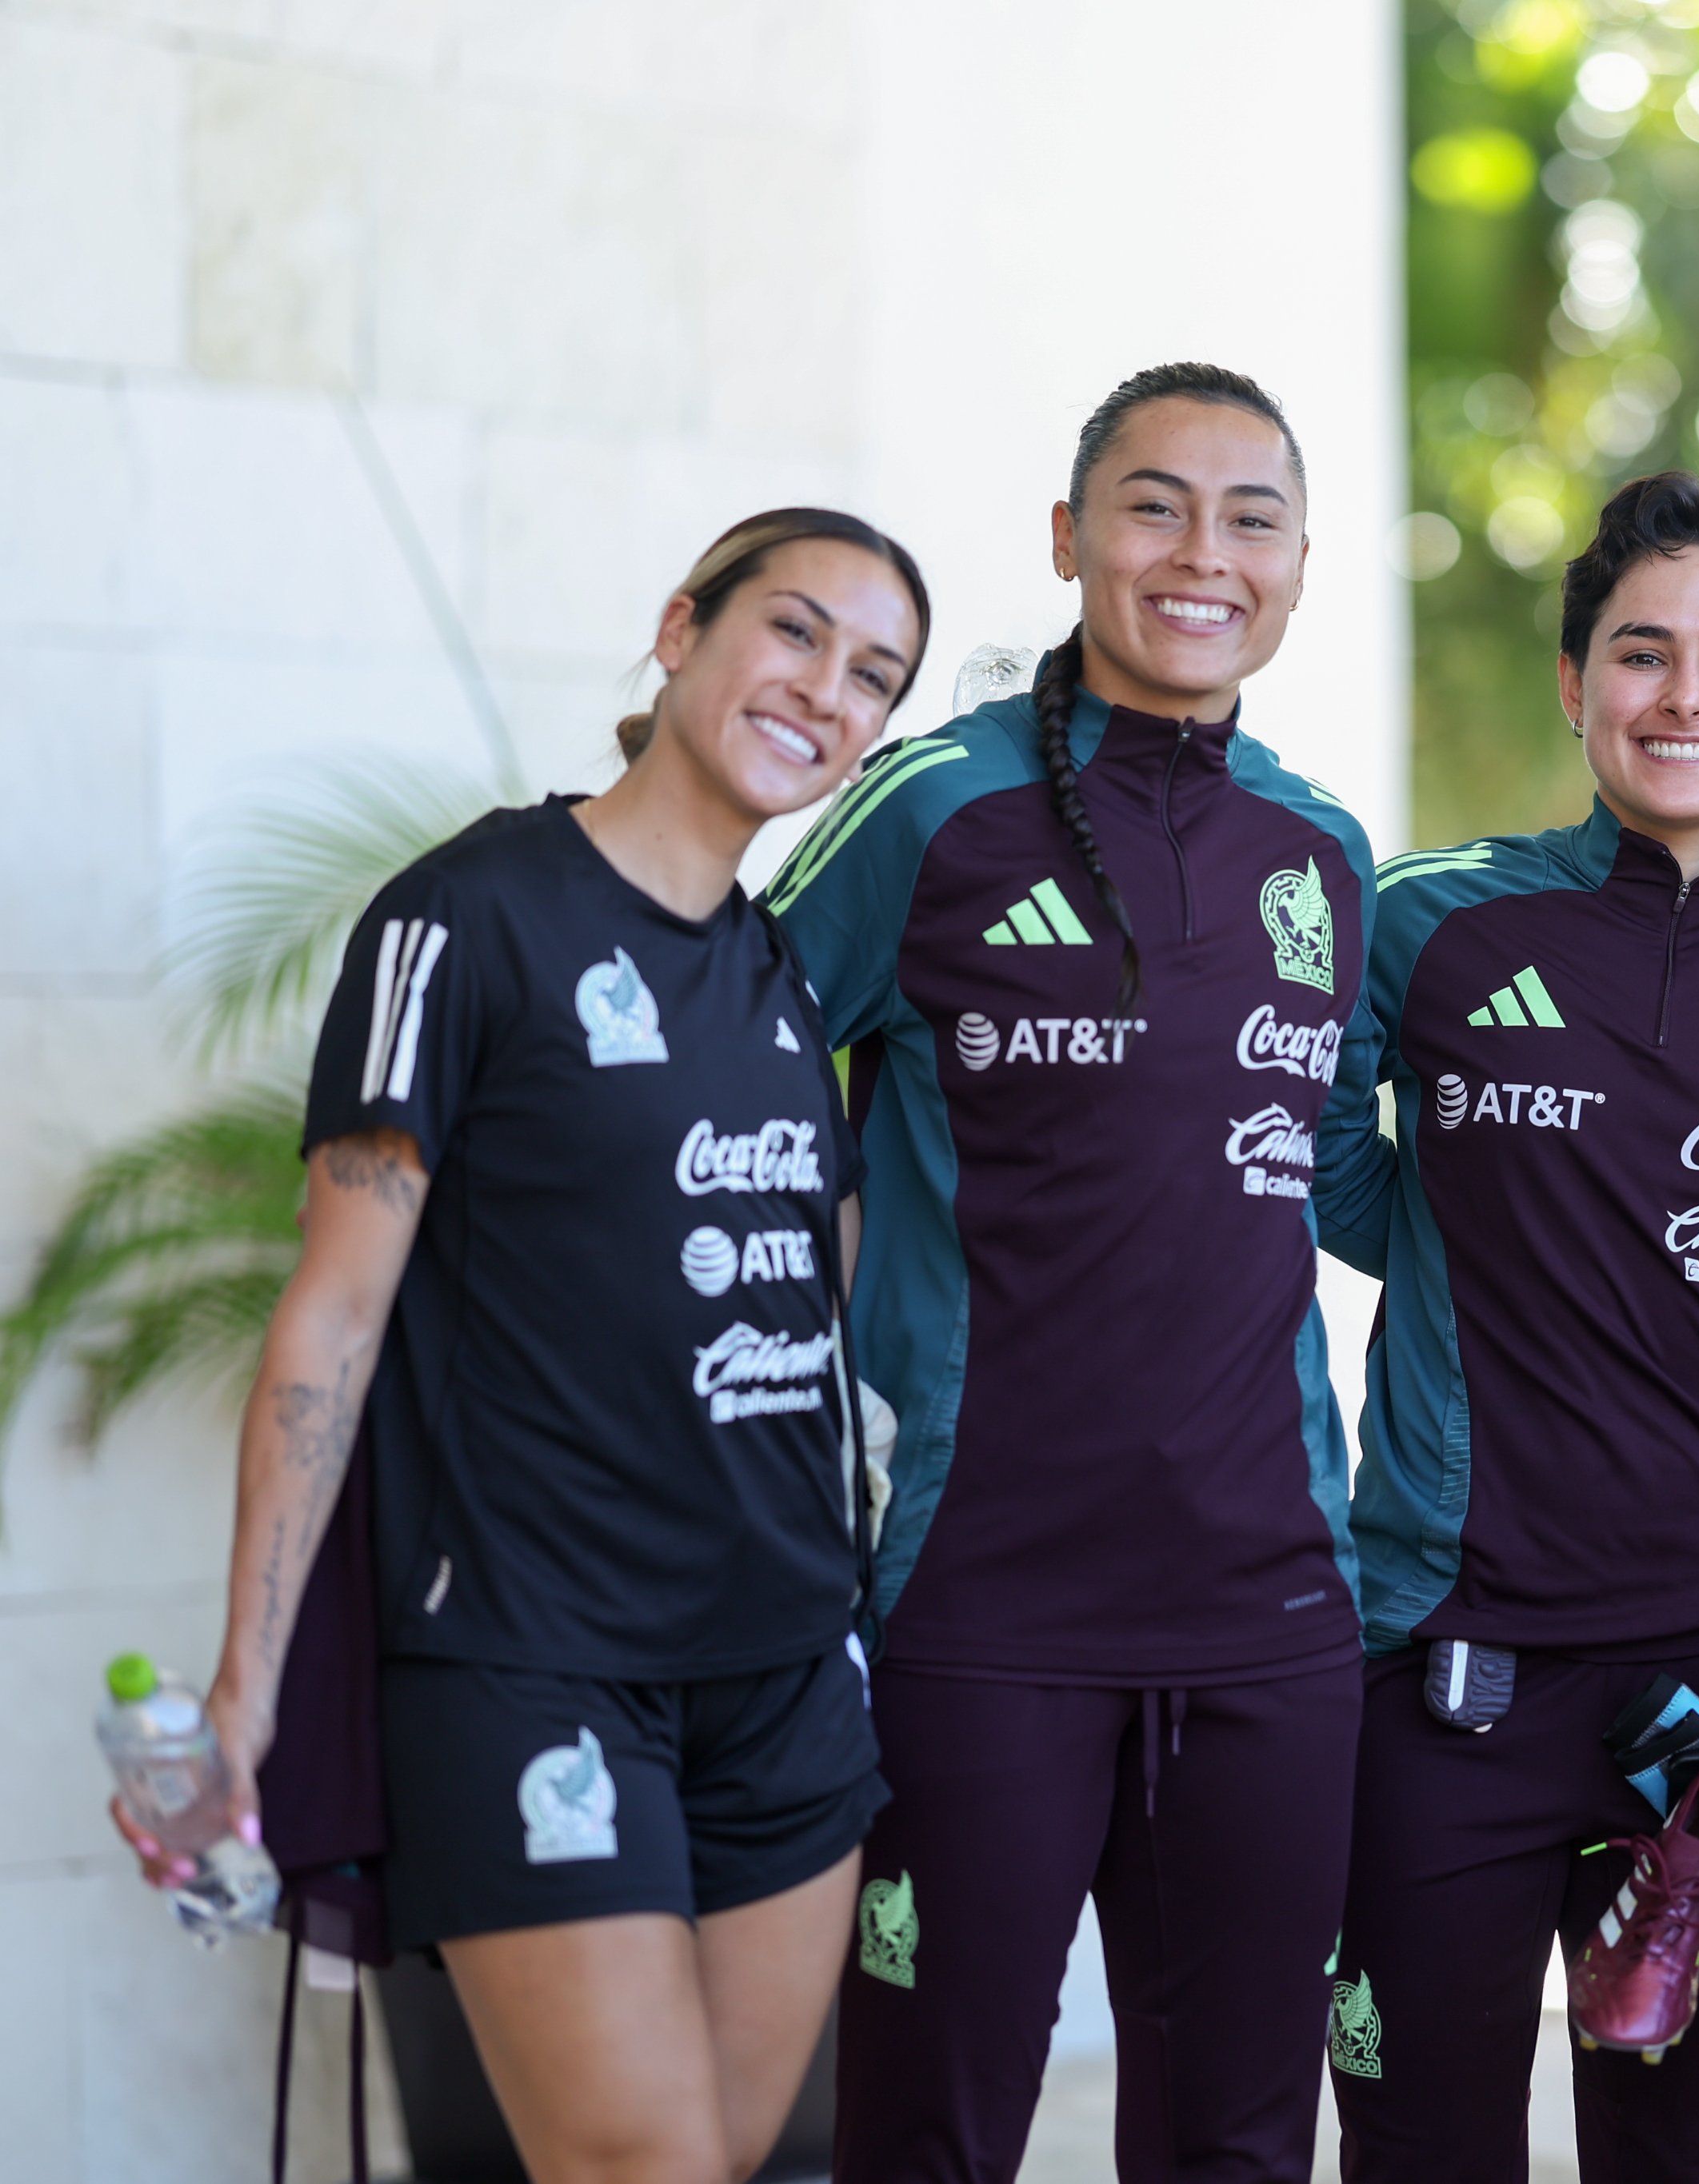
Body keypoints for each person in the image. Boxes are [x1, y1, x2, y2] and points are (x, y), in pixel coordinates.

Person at [115, 507, 930, 2183]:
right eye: (794, 632)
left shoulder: (781, 984)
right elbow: (333, 1310)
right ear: (681, 626)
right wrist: (247, 1688)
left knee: (748, 2163)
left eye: (873, 677)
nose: (823, 691)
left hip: (783, 1679)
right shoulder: (463, 917)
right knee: (636, 2161)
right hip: (533, 1662)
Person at [765, 363, 1377, 2184]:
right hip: (983, 1602)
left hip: (1275, 1605)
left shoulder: (1325, 850)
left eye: (1249, 517)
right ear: (1067, 538)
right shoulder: (928, 809)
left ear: (1297, 564)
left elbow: (1352, 1181)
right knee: (930, 2130)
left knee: (1243, 2146)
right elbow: (735, 1093)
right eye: (1152, 505)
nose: (1203, 555)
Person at [1313, 470, 1699, 2182]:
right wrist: (1471, 1236)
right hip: (1441, 1682)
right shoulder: (1432, 922)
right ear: (1574, 678)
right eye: (1639, 651)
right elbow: (1298, 1159)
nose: (1683, 696)